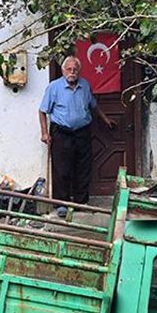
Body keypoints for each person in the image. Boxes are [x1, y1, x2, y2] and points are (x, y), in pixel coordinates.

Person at [38, 55, 115, 216]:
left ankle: (81, 202)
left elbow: (94, 105)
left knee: (83, 167)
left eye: (75, 69)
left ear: (78, 70)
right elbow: (42, 111)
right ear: (63, 70)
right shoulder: (54, 87)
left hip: (82, 132)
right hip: (61, 133)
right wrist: (44, 132)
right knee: (61, 169)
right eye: (69, 69)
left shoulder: (85, 85)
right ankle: (62, 204)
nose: (72, 72)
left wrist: (106, 119)